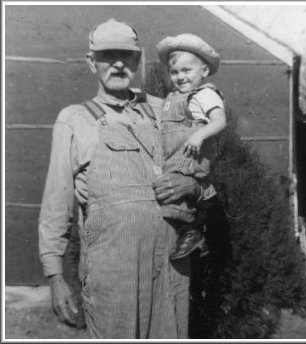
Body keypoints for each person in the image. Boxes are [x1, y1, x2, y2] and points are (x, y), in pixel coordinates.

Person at [38, 18, 215, 339]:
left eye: (127, 55)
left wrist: (192, 187)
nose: (118, 63)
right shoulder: (74, 120)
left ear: (137, 59)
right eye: (108, 55)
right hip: (113, 274)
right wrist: (54, 276)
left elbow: (206, 175)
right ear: (92, 62)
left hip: (170, 269)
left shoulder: (167, 110)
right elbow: (56, 202)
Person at [156, 34, 226, 260]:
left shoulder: (204, 94)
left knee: (178, 201)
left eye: (187, 71)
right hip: (174, 155)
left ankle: (193, 234)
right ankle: (196, 238)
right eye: (175, 72)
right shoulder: (172, 98)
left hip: (190, 155)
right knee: (171, 195)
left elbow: (219, 121)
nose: (180, 77)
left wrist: (199, 135)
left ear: (204, 72)